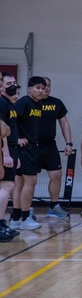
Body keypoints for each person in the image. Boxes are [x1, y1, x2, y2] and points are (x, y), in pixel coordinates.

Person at [14, 76, 70, 226]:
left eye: (44, 87)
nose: (42, 90)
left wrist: (68, 143)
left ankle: (18, 216)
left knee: (28, 181)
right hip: (24, 148)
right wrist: (16, 139)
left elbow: (64, 123)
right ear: (30, 89)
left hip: (41, 146)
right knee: (26, 181)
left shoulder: (39, 105)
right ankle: (23, 215)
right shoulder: (24, 102)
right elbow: (11, 120)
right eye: (38, 88)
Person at [35, 77, 73, 219]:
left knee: (57, 175)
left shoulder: (56, 103)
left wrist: (68, 143)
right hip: (32, 147)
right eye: (43, 86)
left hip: (50, 146)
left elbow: (64, 123)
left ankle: (54, 206)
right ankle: (26, 210)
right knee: (30, 179)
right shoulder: (29, 103)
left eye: (48, 86)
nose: (46, 88)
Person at [0, 73, 20, 240]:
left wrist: (15, 154)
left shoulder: (10, 104)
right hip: (5, 150)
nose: (12, 86)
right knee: (6, 186)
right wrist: (5, 154)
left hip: (12, 149)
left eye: (14, 82)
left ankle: (2, 223)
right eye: (7, 83)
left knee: (8, 186)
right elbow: (2, 132)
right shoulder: (1, 103)